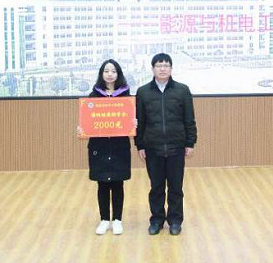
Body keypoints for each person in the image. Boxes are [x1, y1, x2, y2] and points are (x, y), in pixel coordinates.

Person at [135, 53, 197, 236]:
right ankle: (157, 220)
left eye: (166, 65)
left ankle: (175, 221)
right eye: (159, 65)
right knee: (156, 187)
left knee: (176, 187)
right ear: (152, 69)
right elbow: (139, 121)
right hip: (152, 147)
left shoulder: (182, 90)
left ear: (171, 68)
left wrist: (190, 142)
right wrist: (140, 145)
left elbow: (189, 119)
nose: (162, 69)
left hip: (176, 146)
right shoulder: (143, 92)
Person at [80, 59, 134, 235]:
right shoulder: (93, 97)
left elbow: (130, 120)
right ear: (101, 74)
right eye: (106, 71)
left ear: (118, 74)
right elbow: (87, 122)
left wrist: (134, 123)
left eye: (113, 71)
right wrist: (83, 128)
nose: (110, 74)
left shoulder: (126, 97)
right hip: (99, 147)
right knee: (102, 184)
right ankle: (104, 220)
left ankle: (117, 220)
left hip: (119, 146)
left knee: (118, 183)